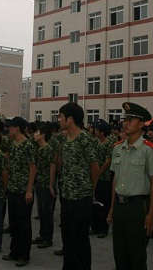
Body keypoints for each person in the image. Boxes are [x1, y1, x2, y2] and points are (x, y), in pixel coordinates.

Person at [107, 102, 153, 270]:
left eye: (131, 120)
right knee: (120, 255)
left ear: (141, 123)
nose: (126, 123)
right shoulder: (117, 148)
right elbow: (115, 180)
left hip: (137, 208)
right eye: (125, 119)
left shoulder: (149, 150)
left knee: (137, 256)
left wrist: (151, 214)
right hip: (120, 207)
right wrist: (111, 209)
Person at [58, 102, 99, 270]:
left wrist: (90, 190)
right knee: (67, 237)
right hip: (67, 195)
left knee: (80, 239)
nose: (59, 120)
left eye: (61, 116)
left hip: (81, 197)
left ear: (70, 119)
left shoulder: (85, 139)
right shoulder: (64, 138)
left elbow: (94, 167)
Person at [2, 117, 36, 267]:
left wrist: (29, 190)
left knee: (24, 224)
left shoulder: (28, 145)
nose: (8, 130)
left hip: (23, 190)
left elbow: (32, 168)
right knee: (14, 222)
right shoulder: (13, 144)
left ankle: (24, 255)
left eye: (10, 127)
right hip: (13, 188)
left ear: (17, 128)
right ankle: (14, 251)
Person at [32, 122, 56, 248]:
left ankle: (48, 238)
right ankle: (42, 235)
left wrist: (51, 185)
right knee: (41, 211)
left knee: (47, 212)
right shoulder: (39, 149)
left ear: (43, 135)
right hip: (39, 183)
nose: (34, 135)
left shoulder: (47, 149)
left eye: (37, 133)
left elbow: (52, 166)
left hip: (46, 184)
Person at [92, 119, 114, 239]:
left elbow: (108, 160)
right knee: (95, 203)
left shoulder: (109, 143)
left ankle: (103, 228)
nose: (94, 131)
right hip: (95, 177)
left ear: (102, 132)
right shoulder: (95, 142)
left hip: (105, 178)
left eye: (97, 129)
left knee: (104, 204)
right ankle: (95, 227)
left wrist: (99, 172)